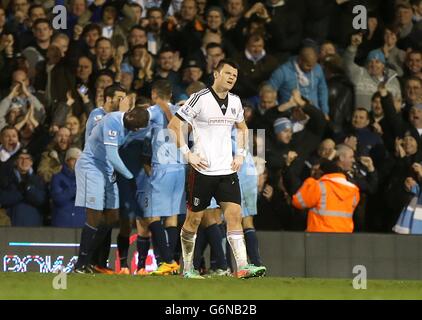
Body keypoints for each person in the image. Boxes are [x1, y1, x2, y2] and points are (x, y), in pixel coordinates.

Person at [168, 59, 266, 279]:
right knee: (193, 220)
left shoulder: (235, 101)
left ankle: (242, 267)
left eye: (235, 76)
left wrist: (240, 155)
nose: (232, 78)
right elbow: (173, 125)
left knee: (234, 215)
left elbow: (242, 128)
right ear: (216, 74)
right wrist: (188, 153)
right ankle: (187, 268)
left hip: (227, 171)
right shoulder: (199, 99)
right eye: (228, 73)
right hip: (202, 171)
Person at [73, 104, 150, 274]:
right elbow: (113, 155)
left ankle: (90, 260)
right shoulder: (112, 120)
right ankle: (80, 264)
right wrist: (130, 178)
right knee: (94, 214)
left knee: (112, 215)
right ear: (128, 113)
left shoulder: (134, 127)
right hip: (91, 166)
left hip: (107, 170)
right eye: (130, 117)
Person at [136, 80, 184, 276]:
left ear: (154, 94)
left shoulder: (153, 110)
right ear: (171, 95)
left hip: (162, 169)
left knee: (152, 215)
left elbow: (138, 125)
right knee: (171, 218)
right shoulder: (182, 111)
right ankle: (169, 264)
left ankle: (167, 260)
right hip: (180, 168)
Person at [292, 145, 360, 233]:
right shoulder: (354, 189)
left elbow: (297, 202)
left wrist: (311, 181)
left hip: (319, 236)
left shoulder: (319, 186)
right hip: (344, 236)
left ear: (322, 173)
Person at [0, 148, 46, 226]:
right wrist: (22, 192)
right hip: (13, 225)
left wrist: (28, 189)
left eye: (27, 158)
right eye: (21, 158)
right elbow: (3, 199)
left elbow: (41, 200)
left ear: (31, 162)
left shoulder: (38, 180)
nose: (24, 161)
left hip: (34, 226)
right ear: (16, 161)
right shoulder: (7, 178)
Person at [50, 147, 85, 228]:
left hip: (81, 223)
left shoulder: (87, 179)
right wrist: (75, 189)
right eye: (74, 159)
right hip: (62, 223)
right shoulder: (57, 178)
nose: (77, 162)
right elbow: (58, 199)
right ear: (67, 161)